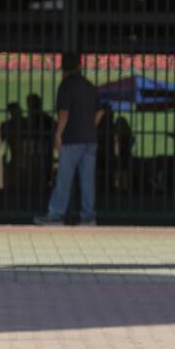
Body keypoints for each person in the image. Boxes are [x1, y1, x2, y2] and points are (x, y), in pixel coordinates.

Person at [35, 53, 104, 226]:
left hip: (72, 139)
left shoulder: (65, 86)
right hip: (90, 139)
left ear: (63, 68)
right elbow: (101, 111)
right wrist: (90, 125)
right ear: (79, 66)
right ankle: (88, 217)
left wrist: (58, 134)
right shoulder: (89, 86)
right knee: (87, 181)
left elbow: (64, 113)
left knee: (64, 179)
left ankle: (56, 214)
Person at [25, 93, 56, 190]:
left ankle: (43, 184)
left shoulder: (39, 119)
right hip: (38, 147)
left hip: (42, 147)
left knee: (42, 166)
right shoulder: (46, 118)